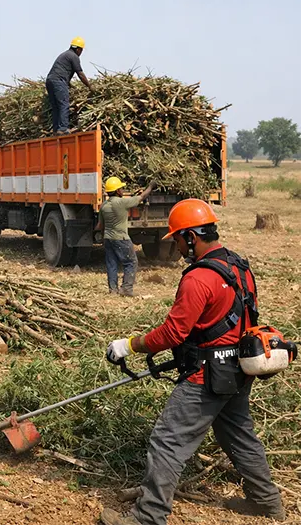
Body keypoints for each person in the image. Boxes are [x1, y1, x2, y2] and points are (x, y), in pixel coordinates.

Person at [101, 199, 284, 525]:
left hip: (206, 377)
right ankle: (267, 503)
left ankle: (148, 517)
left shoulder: (198, 278)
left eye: (178, 239)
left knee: (168, 441)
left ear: (191, 236)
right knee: (239, 436)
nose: (177, 246)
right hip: (238, 370)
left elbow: (173, 333)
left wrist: (129, 345)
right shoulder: (239, 266)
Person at [96, 177, 156, 296]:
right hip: (121, 238)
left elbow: (100, 225)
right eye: (121, 188)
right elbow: (141, 197)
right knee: (131, 262)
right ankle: (126, 289)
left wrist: (101, 236)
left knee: (111, 264)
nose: (122, 190)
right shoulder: (122, 203)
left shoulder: (103, 206)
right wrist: (150, 186)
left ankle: (113, 290)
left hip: (108, 238)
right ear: (117, 191)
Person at [45, 36, 93, 134]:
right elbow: (80, 73)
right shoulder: (73, 56)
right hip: (58, 81)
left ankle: (56, 129)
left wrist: (71, 85)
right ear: (78, 49)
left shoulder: (65, 55)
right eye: (81, 50)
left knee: (56, 106)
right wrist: (89, 86)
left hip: (50, 81)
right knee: (64, 104)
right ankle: (63, 128)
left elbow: (61, 72)